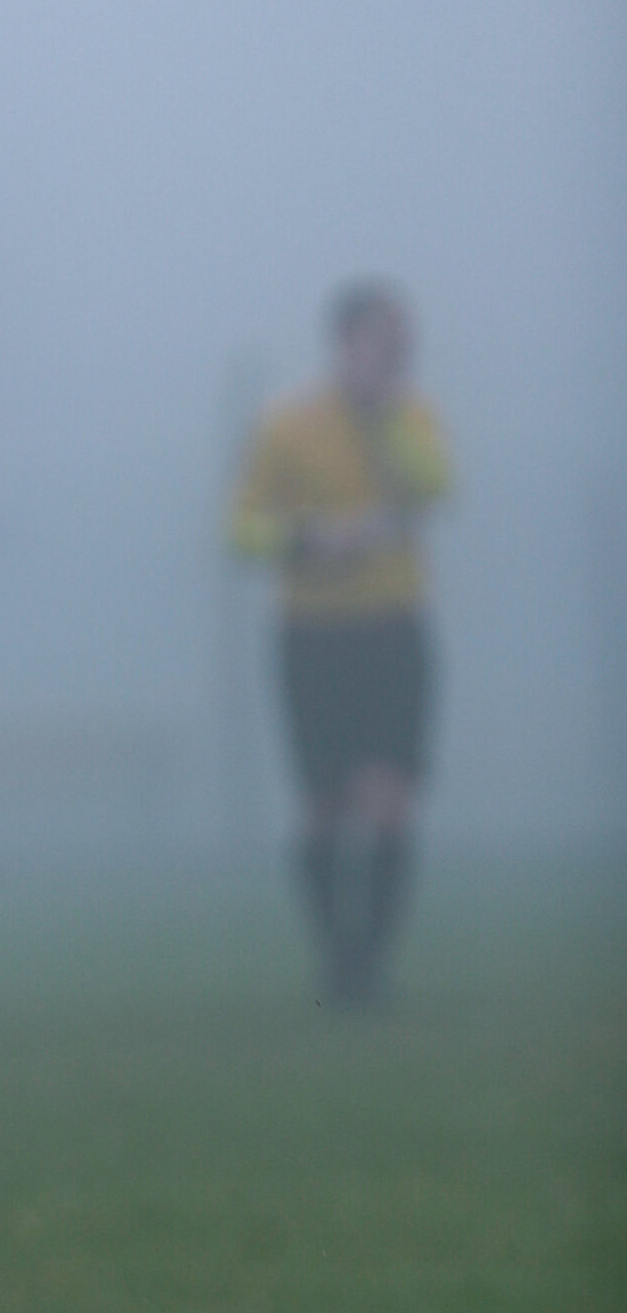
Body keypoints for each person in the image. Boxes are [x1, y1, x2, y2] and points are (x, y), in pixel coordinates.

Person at [231, 281, 451, 1004]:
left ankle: (371, 965)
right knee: (324, 801)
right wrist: (310, 538)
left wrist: (384, 419)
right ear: (346, 342)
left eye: (401, 344)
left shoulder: (411, 418)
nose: (394, 355)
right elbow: (242, 529)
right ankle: (339, 960)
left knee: (389, 794)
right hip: (313, 634)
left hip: (393, 625)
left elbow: (436, 487)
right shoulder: (288, 426)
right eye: (382, 340)